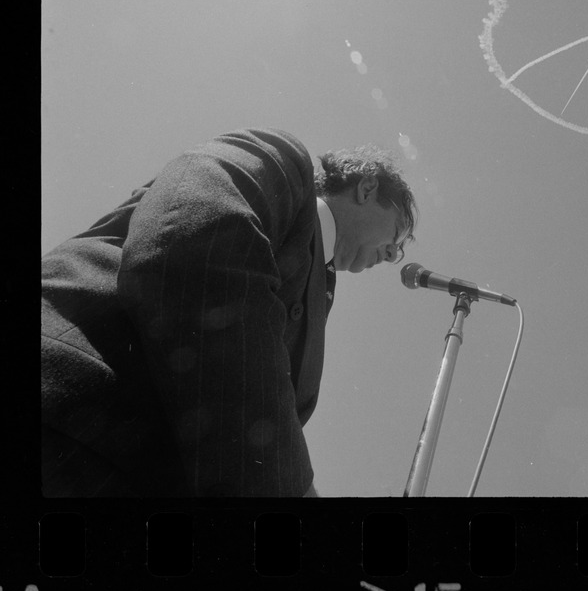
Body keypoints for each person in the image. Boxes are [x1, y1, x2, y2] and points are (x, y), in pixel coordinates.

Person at [41, 127, 417, 497]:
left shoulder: (322, 295)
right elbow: (189, 247)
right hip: (67, 423)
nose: (389, 257)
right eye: (396, 238)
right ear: (367, 188)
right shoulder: (282, 161)